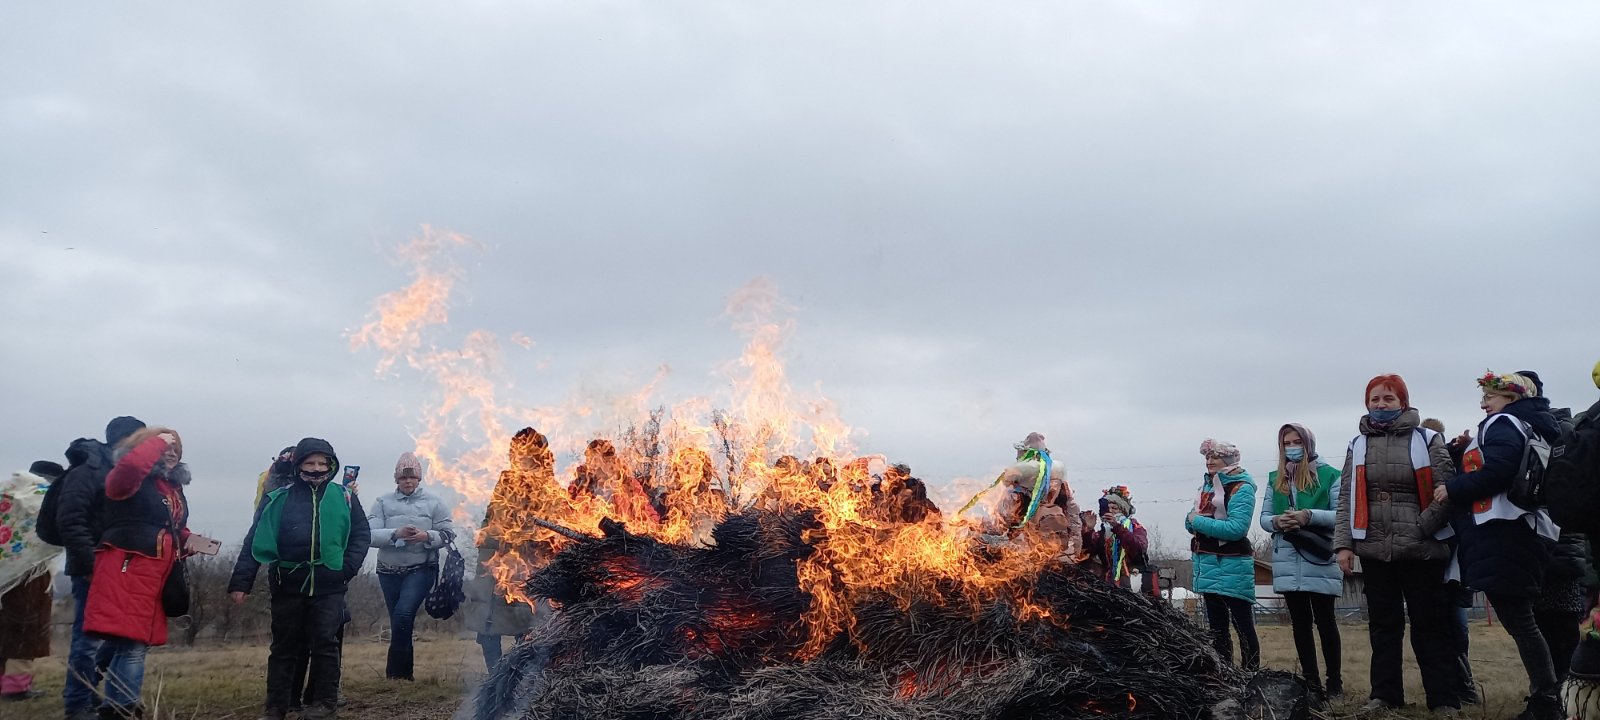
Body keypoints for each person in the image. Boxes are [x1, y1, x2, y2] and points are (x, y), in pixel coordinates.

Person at [1439, 371, 1563, 720]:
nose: (1483, 403)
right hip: (1518, 530)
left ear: (1511, 398)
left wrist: (1454, 487)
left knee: (1521, 621)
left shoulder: (1505, 422)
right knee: (1522, 619)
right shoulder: (1529, 424)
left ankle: (1546, 700)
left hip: (1504, 529)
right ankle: (1547, 696)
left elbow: (1500, 469)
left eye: (1490, 396)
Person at [1334, 373, 1460, 715]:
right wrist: (1344, 545)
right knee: (1383, 627)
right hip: (1374, 549)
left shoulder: (1428, 439)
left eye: (1388, 399)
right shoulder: (1356, 445)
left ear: (1402, 402)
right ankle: (1384, 695)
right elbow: (1346, 497)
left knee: (1429, 626)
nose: (1381, 404)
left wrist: (1422, 528)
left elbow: (1447, 491)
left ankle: (1443, 699)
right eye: (1375, 399)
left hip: (1421, 549)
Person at [229, 438, 371, 720]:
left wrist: (346, 568)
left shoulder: (345, 497)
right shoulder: (277, 498)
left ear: (331, 466)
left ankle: (324, 703)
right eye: (310, 462)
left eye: (322, 463)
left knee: (324, 643)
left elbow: (361, 535)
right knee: (284, 645)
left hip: (329, 583)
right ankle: (277, 706)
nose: (316, 468)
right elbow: (254, 540)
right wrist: (240, 582)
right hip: (287, 581)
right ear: (298, 465)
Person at [82, 428, 191, 719]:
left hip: (155, 573)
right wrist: (157, 441)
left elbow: (168, 525)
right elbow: (131, 465)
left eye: (176, 447)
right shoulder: (127, 478)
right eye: (165, 446)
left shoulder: (169, 486)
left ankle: (113, 705)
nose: (171, 451)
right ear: (144, 447)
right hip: (128, 567)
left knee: (130, 643)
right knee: (132, 645)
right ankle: (123, 707)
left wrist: (187, 539)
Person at [55, 415, 144, 720]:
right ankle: (78, 704)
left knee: (117, 636)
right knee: (87, 639)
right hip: (91, 569)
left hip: (119, 567)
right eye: (139, 440)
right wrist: (91, 564)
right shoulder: (88, 471)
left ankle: (101, 697)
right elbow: (70, 519)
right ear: (123, 439)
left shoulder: (125, 473)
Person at [1257, 424, 1343, 698]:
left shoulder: (1330, 476)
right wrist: (1277, 521)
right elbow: (1264, 518)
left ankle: (1334, 683)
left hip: (1318, 556)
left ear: (1309, 444)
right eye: (1286, 443)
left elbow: (1341, 515)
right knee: (1300, 624)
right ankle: (1312, 683)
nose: (1292, 447)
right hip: (1287, 557)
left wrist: (1309, 516)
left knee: (1326, 621)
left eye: (1297, 442)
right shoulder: (1275, 479)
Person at [465, 429, 557, 670]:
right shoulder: (506, 480)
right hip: (494, 561)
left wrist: (524, 541)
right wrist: (486, 543)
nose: (519, 456)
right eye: (516, 450)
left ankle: (518, 677)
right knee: (487, 625)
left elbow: (550, 527)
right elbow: (492, 516)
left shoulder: (549, 487)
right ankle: (494, 676)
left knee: (526, 624)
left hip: (528, 564)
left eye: (526, 450)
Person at [367, 452, 454, 681]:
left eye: (412, 477)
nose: (408, 481)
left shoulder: (435, 503)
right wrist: (395, 533)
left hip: (421, 568)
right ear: (396, 479)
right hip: (388, 570)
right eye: (403, 477)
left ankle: (395, 675)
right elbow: (369, 535)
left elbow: (448, 534)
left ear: (419, 479)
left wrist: (427, 536)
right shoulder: (382, 502)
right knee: (398, 620)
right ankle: (404, 676)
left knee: (404, 614)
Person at [1186, 439, 1259, 670]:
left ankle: (1250, 673)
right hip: (1207, 564)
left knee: (1243, 626)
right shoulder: (1207, 487)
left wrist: (1197, 521)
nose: (1209, 462)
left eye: (1213, 457)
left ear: (1227, 459)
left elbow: (1237, 529)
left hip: (1232, 564)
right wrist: (1193, 522)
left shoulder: (1241, 487)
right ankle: (1224, 674)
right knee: (1217, 630)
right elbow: (1191, 520)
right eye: (1206, 457)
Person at [1422, 417, 1479, 705]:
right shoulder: (1421, 463)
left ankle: (1464, 684)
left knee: (1456, 625)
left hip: (1455, 557)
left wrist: (1461, 451)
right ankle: (1451, 684)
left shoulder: (1455, 464)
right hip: (1433, 554)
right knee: (1441, 624)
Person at [0, 461, 64, 702]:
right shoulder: (43, 497)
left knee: (3, 627)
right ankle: (16, 687)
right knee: (25, 629)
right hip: (30, 574)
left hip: (4, 574)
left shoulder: (7, 491)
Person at [1081, 486, 1155, 596]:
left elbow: (1139, 548)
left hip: (1134, 582)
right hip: (1109, 584)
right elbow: (1087, 553)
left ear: (1123, 510)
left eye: (1114, 508)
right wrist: (1088, 531)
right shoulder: (1103, 532)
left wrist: (1117, 527)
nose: (1111, 511)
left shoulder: (1135, 527)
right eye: (1108, 508)